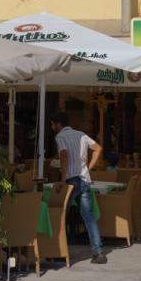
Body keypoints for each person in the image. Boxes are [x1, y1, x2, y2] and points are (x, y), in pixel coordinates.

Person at [50, 111, 106, 265]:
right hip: (84, 178)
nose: (52, 127)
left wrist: (62, 180)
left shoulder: (60, 136)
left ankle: (58, 250)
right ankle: (99, 252)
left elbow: (64, 155)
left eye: (53, 124)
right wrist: (89, 168)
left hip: (71, 179)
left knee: (61, 214)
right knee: (89, 217)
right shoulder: (81, 134)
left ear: (58, 124)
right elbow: (98, 149)